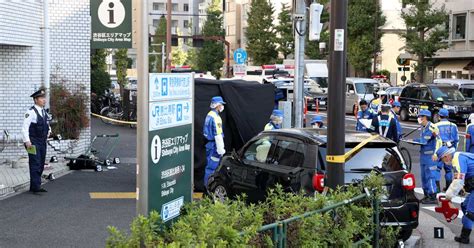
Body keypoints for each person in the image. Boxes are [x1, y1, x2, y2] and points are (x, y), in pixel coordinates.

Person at [436, 146, 474, 244]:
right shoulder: (459, 157)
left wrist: (448, 196)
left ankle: (464, 238)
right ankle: (464, 235)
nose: (444, 162)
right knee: (465, 206)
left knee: (470, 213)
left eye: (443, 159)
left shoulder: (457, 158)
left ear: (447, 155)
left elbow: (458, 180)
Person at [22, 89, 51, 194]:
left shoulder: (43, 111)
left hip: (42, 141)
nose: (44, 100)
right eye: (41, 98)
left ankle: (35, 185)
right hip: (33, 142)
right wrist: (27, 141)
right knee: (35, 163)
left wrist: (49, 132)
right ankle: (35, 187)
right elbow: (25, 128)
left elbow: (47, 124)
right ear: (35, 100)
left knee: (41, 162)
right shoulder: (30, 112)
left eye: (44, 98)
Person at [414, 109, 442, 204]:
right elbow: (423, 140)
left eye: (420, 117)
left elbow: (439, 141)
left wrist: (436, 154)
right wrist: (414, 140)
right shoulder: (423, 127)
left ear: (425, 117)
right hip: (423, 156)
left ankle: (433, 196)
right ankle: (426, 195)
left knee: (430, 176)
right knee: (424, 177)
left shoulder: (432, 127)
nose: (419, 118)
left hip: (431, 157)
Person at [203, 96, 226, 187]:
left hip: (209, 145)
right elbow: (218, 135)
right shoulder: (216, 118)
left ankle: (206, 188)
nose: (222, 107)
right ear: (217, 105)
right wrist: (221, 150)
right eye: (221, 105)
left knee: (209, 167)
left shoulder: (209, 115)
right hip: (214, 146)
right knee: (212, 169)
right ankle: (209, 189)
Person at [435, 108, 459, 190]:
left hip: (440, 149)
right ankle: (448, 187)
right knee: (448, 170)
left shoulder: (436, 125)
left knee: (437, 169)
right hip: (450, 149)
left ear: (439, 116)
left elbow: (434, 140)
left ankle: (437, 188)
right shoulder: (453, 125)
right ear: (447, 116)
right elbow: (457, 140)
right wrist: (453, 150)